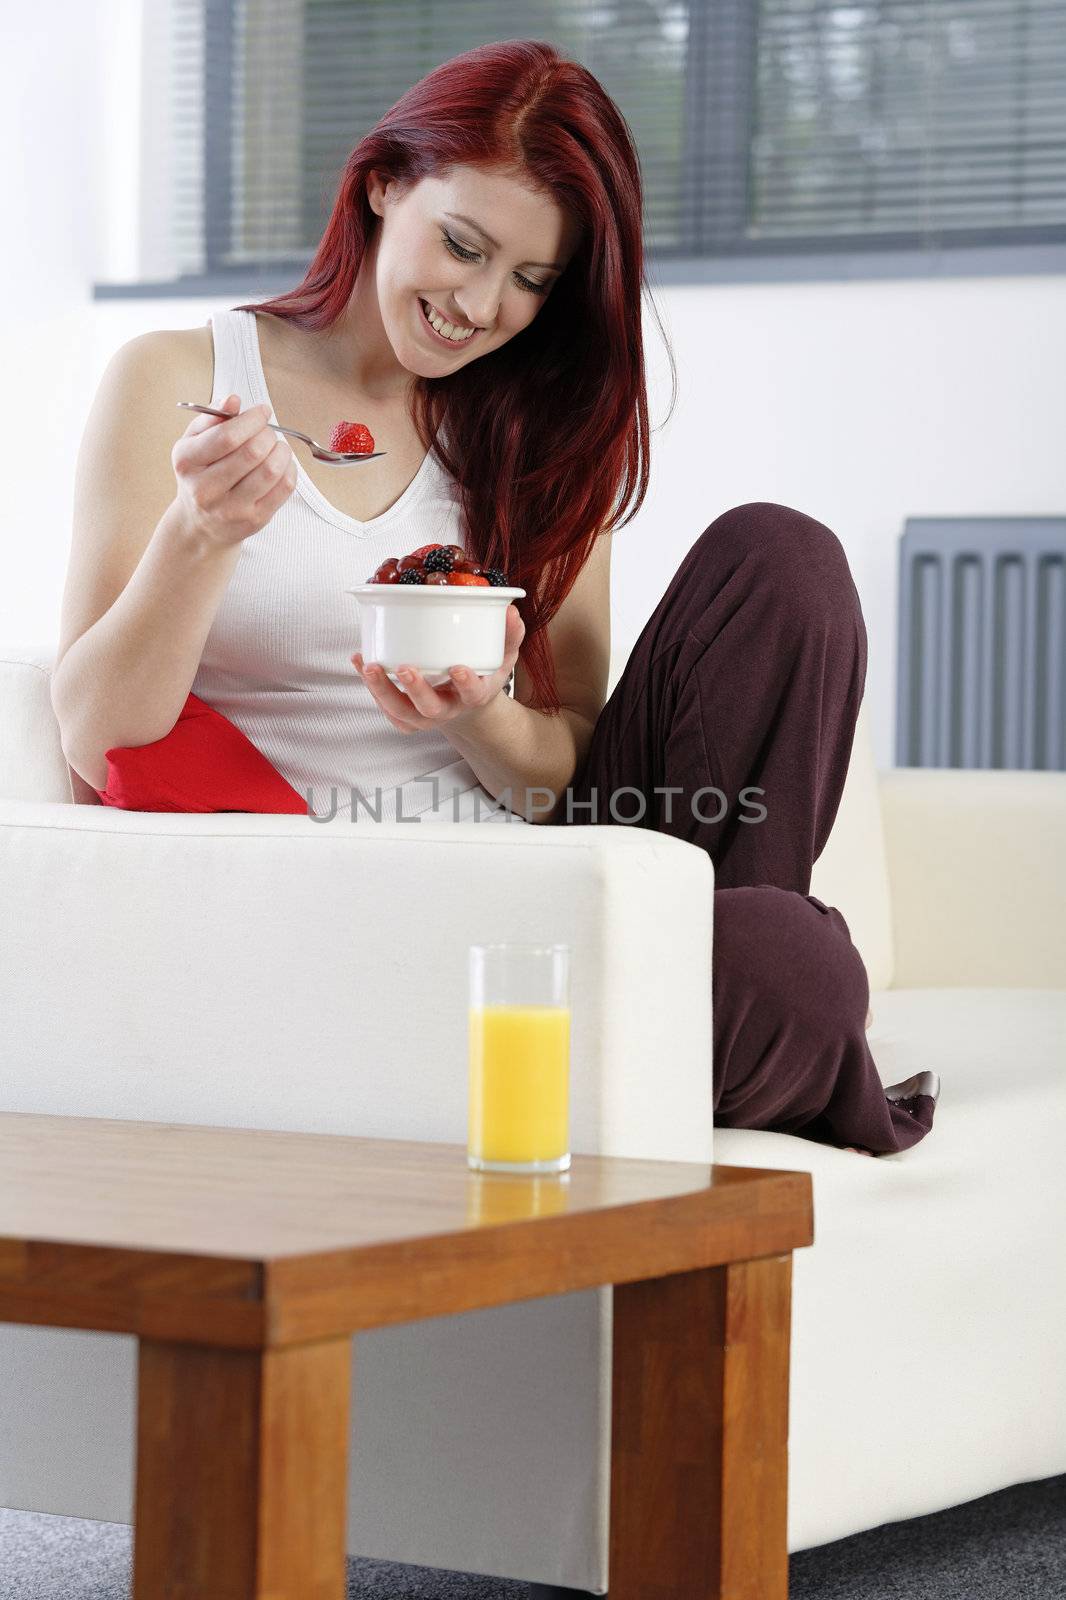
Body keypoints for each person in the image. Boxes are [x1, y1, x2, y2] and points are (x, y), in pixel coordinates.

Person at [51, 40, 937, 1158]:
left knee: (783, 557)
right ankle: (731, 1011)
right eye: (462, 246)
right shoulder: (179, 381)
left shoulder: (541, 431)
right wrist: (201, 533)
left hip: (539, 883)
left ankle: (717, 974)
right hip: (348, 931)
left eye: (531, 282)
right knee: (799, 974)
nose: (478, 306)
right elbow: (94, 731)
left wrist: (482, 716)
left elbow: (560, 771)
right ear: (382, 184)